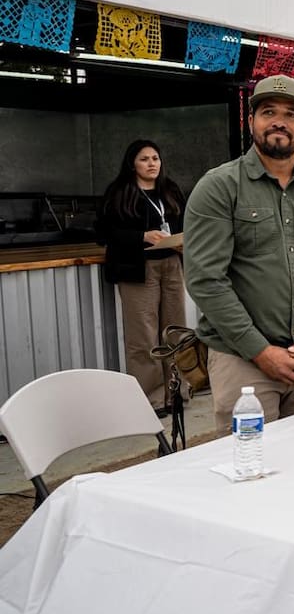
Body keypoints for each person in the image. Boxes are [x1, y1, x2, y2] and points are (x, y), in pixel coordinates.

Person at [185, 74, 294, 430]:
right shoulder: (218, 187)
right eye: (268, 112)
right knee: (249, 472)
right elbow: (205, 280)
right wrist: (260, 351)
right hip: (243, 361)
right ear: (251, 122)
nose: (279, 121)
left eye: (292, 114)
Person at [96, 139, 187, 416]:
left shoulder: (169, 190)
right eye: (144, 159)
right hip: (138, 268)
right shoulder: (120, 192)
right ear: (132, 164)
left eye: (156, 158)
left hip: (170, 264)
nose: (152, 164)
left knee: (175, 330)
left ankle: (177, 392)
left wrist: (183, 241)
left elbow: (182, 223)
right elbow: (104, 234)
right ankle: (152, 398)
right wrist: (141, 236)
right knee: (143, 336)